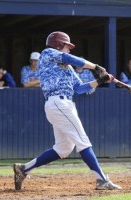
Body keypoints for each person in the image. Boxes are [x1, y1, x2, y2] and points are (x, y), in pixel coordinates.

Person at [13, 31, 121, 191]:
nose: (69, 49)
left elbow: (79, 88)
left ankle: (23, 169)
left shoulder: (67, 67)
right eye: (67, 46)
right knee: (83, 141)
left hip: (63, 104)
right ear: (58, 44)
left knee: (63, 148)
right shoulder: (48, 53)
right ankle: (101, 180)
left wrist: (99, 81)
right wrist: (96, 67)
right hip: (58, 102)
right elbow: (70, 58)